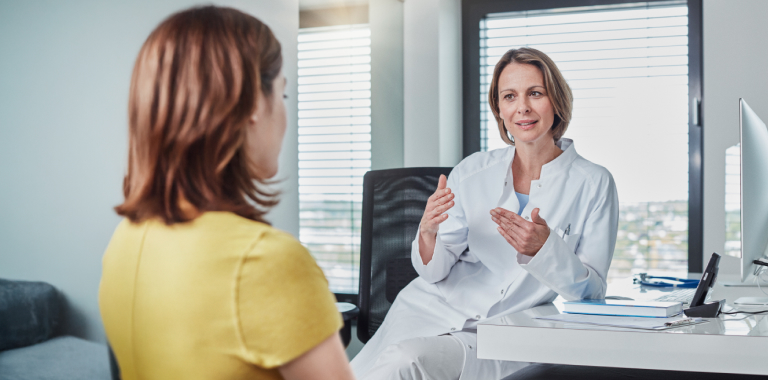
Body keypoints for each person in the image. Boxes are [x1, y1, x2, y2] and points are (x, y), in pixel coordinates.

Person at [98, 6, 355, 380]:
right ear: (253, 103)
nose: (284, 115)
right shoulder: (268, 263)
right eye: (282, 95)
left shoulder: (124, 239)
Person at [350, 47, 619, 380]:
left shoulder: (593, 183)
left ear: (557, 101)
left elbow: (591, 294)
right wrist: (428, 232)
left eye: (535, 93)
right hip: (426, 311)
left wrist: (546, 250)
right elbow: (435, 272)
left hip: (503, 332)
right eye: (509, 96)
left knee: (407, 362)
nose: (522, 107)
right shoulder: (474, 170)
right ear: (500, 108)